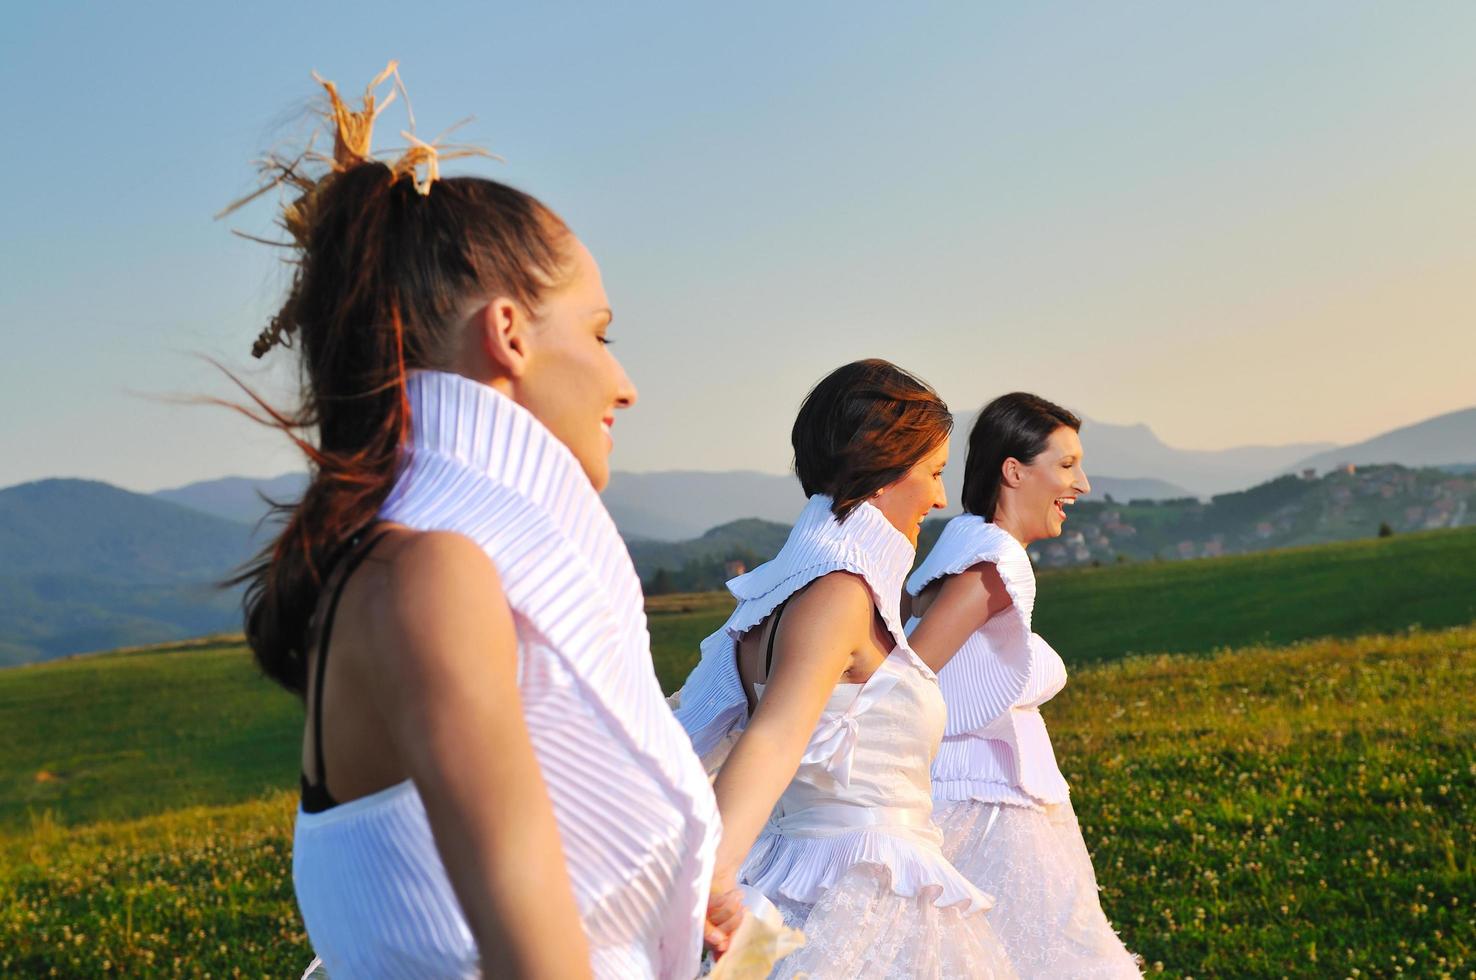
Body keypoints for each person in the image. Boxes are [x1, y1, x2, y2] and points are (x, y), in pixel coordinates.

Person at [226, 66, 728, 978]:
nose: (625, 382)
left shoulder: (402, 564)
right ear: (509, 333)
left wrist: (666, 913)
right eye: (601, 332)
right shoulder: (432, 575)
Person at [674, 360, 1017, 979]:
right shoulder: (837, 594)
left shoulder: (776, 596)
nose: (941, 497)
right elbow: (776, 735)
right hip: (860, 890)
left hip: (807, 873)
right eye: (934, 473)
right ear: (884, 473)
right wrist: (711, 877)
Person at [904, 392, 1140, 977]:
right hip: (986, 806)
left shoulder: (963, 544)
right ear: (1014, 471)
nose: (1081, 484)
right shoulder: (994, 564)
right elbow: (907, 676)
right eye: (1065, 466)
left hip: (987, 793)